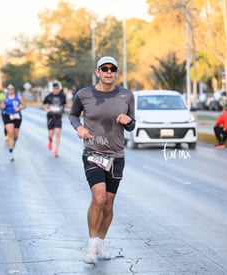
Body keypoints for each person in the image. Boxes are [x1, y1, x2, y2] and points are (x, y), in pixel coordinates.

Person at [69, 56, 136, 264]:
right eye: (104, 69)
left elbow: (132, 125)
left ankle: (101, 241)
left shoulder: (126, 95)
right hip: (93, 153)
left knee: (108, 204)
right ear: (97, 72)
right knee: (98, 198)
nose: (108, 72)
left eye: (112, 69)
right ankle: (91, 246)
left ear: (116, 73)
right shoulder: (84, 94)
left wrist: (128, 121)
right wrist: (79, 127)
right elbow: (72, 115)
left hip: (116, 156)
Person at [0, 84, 26, 161]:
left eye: (12, 88)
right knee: (10, 133)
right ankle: (11, 154)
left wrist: (19, 108)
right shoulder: (4, 97)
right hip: (7, 116)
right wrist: (2, 106)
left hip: (17, 117)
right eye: (9, 88)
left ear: (14, 89)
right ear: (7, 89)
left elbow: (24, 105)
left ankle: (13, 143)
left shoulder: (18, 97)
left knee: (15, 136)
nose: (10, 90)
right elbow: (1, 105)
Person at [42, 82, 67, 157]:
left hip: (58, 116)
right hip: (50, 116)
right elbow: (43, 104)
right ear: (53, 89)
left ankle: (56, 150)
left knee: (58, 133)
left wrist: (73, 108)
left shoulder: (62, 96)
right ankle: (50, 141)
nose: (56, 90)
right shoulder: (49, 96)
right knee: (51, 134)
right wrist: (46, 109)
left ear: (59, 89)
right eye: (55, 89)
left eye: (57, 88)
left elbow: (64, 104)